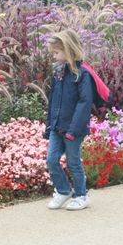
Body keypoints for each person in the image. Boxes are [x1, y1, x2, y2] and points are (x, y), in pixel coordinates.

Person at [44, 29, 94, 210]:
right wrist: (49, 124)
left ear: (68, 49)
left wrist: (73, 130)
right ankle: (64, 190)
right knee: (51, 159)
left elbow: (84, 103)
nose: (55, 56)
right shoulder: (58, 73)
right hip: (57, 126)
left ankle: (82, 195)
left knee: (73, 161)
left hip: (74, 128)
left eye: (57, 52)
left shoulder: (82, 74)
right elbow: (53, 100)